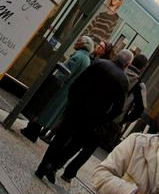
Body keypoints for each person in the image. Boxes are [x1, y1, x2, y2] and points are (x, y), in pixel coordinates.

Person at [35, 50, 134, 184]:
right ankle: (53, 166)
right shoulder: (123, 81)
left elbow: (77, 82)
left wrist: (72, 101)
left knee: (60, 138)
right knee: (75, 144)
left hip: (76, 108)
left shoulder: (99, 63)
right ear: (128, 64)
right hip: (93, 118)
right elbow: (118, 109)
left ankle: (42, 167)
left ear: (116, 56)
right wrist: (102, 119)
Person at [60, 53, 149, 183]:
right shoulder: (139, 85)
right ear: (143, 68)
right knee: (89, 148)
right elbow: (140, 109)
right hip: (111, 121)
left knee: (77, 140)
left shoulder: (115, 70)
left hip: (96, 112)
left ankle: (56, 164)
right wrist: (125, 119)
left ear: (132, 62)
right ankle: (69, 173)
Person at [21, 37, 94, 143]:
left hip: (60, 87)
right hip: (67, 90)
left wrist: (54, 80)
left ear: (83, 44)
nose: (76, 42)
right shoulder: (86, 59)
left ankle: (31, 131)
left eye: (79, 40)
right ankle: (33, 131)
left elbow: (65, 73)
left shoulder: (78, 56)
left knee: (44, 108)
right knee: (49, 111)